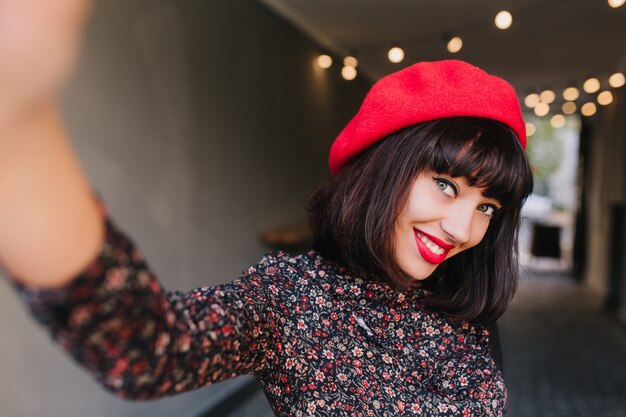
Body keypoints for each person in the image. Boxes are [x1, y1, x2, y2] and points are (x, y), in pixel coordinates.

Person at [0, 2, 533, 416]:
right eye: (445, 184)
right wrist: (22, 126)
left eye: (488, 206)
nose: (464, 227)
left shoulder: (465, 311)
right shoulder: (293, 299)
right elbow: (149, 349)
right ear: (384, 173)